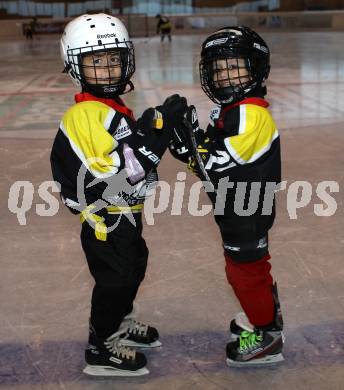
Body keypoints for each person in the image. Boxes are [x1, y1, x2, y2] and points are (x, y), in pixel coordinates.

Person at [50, 13, 187, 376]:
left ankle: (120, 323)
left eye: (114, 59)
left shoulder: (109, 108)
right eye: (96, 61)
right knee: (116, 279)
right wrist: (157, 137)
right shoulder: (85, 116)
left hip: (123, 216)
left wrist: (153, 122)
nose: (108, 69)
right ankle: (101, 346)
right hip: (105, 221)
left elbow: (126, 148)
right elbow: (118, 176)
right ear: (75, 66)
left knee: (133, 268)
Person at [169, 26, 284, 367]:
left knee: (245, 273)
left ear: (256, 68)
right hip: (236, 203)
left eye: (234, 67)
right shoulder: (235, 110)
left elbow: (217, 162)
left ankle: (266, 336)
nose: (224, 76)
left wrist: (184, 143)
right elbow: (214, 158)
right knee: (251, 269)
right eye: (218, 69)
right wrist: (193, 138)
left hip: (246, 209)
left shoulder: (251, 114)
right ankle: (264, 313)